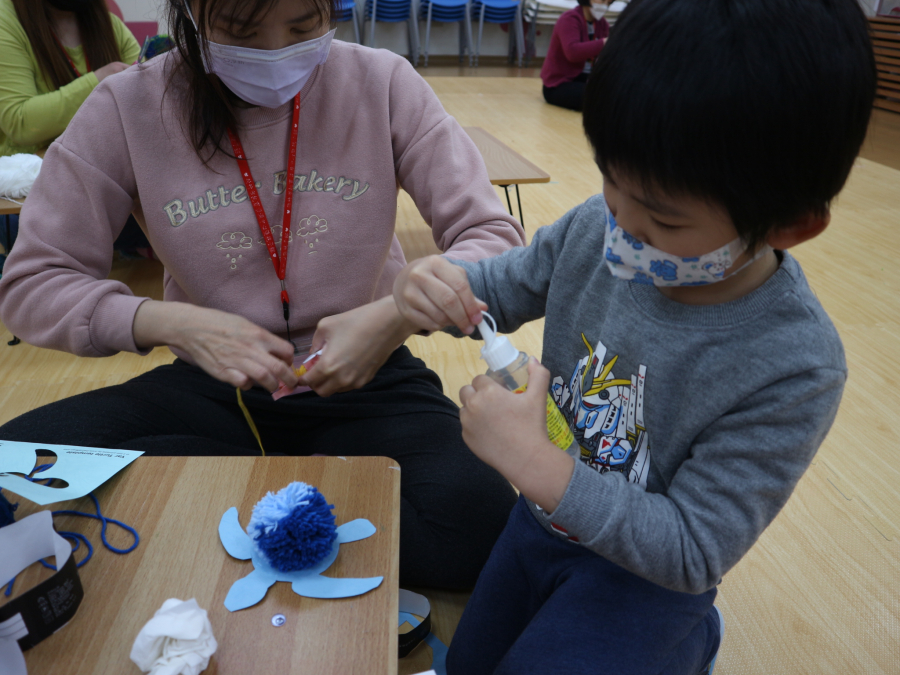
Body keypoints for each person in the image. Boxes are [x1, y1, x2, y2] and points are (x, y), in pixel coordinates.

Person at [392, 0, 875, 671]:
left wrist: (533, 462)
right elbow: (496, 288)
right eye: (612, 187)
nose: (619, 231)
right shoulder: (598, 226)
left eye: (661, 224)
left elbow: (692, 548)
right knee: (472, 661)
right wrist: (433, 285)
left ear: (789, 226)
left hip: (646, 581)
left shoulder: (793, 363)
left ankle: (688, 641)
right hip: (540, 524)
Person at [0, 0, 526, 590]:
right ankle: (279, 494)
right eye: (240, 30)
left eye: (304, 28)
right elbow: (33, 279)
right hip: (214, 384)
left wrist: (394, 315)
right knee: (15, 461)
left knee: (480, 530)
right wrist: (169, 323)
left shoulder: (381, 83)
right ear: (194, 12)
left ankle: (231, 493)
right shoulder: (130, 105)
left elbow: (495, 239)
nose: (276, 53)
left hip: (369, 381)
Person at [0, 0, 149, 257]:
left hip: (106, 190)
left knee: (172, 213)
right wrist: (100, 80)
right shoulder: (7, 17)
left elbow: (146, 92)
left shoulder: (106, 22)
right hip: (30, 201)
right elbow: (19, 120)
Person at [540, 0, 609, 111]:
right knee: (600, 97)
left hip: (584, 79)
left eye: (608, 2)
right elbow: (572, 53)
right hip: (559, 84)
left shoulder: (603, 24)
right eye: (602, 1)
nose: (605, 5)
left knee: (616, 91)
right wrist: (604, 43)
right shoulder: (569, 19)